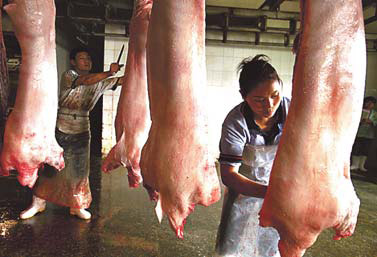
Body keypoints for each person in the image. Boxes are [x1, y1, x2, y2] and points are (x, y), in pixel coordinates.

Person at [20, 47, 124, 220]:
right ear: (73, 62)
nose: (87, 61)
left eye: (88, 58)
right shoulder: (69, 75)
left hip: (83, 127)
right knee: (50, 168)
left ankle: (77, 205)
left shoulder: (99, 81)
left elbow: (120, 81)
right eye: (82, 58)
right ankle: (38, 202)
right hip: (62, 125)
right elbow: (85, 80)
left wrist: (143, 69)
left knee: (79, 170)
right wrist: (108, 72)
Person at [214, 55, 290, 257]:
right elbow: (229, 175)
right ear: (243, 96)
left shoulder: (292, 111)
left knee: (274, 249)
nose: (269, 105)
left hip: (283, 193)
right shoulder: (235, 122)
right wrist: (271, 193)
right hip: (243, 194)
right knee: (234, 249)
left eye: (275, 95)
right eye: (259, 100)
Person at [350, 96, 377, 172]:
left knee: (365, 150)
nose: (369, 104)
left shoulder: (374, 113)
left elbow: (375, 122)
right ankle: (355, 164)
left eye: (371, 103)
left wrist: (371, 122)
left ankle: (361, 165)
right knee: (356, 148)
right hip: (359, 133)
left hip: (369, 134)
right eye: (367, 102)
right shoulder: (359, 110)